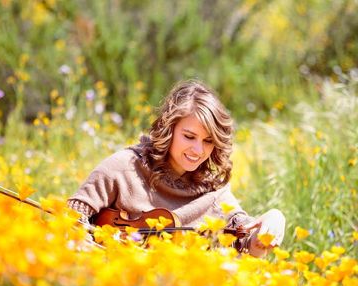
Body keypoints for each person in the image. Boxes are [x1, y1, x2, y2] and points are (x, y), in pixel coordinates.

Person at [67, 80, 286, 257]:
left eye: (208, 141)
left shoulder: (212, 190)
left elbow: (248, 246)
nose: (198, 150)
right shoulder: (124, 168)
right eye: (189, 136)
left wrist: (274, 219)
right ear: (169, 130)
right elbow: (70, 218)